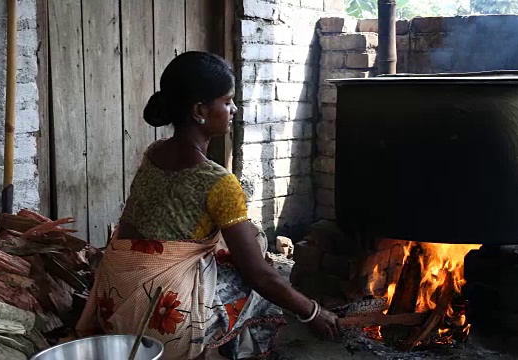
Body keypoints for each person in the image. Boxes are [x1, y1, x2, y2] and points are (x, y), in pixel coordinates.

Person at [75, 51, 340, 360]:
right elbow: (259, 276)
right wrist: (312, 312)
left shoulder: (153, 154)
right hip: (160, 324)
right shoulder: (218, 182)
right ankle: (212, 351)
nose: (234, 109)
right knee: (263, 286)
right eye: (227, 102)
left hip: (113, 304)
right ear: (200, 110)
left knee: (241, 245)